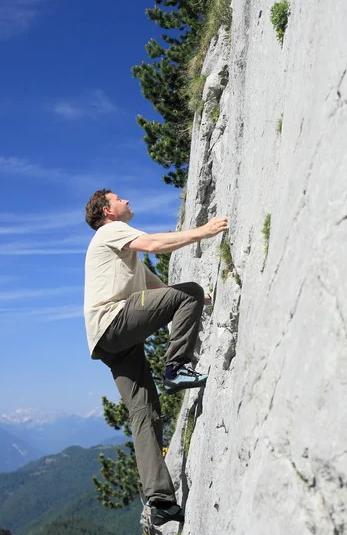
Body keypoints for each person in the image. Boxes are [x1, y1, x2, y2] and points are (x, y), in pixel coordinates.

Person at [83, 189, 228, 526]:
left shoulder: (123, 256)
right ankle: (176, 367)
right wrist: (203, 231)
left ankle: (160, 500)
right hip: (114, 321)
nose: (128, 201)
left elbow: (160, 292)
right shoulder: (111, 230)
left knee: (145, 412)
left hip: (107, 342)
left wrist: (194, 301)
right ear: (108, 210)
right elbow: (153, 245)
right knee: (188, 291)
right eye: (120, 199)